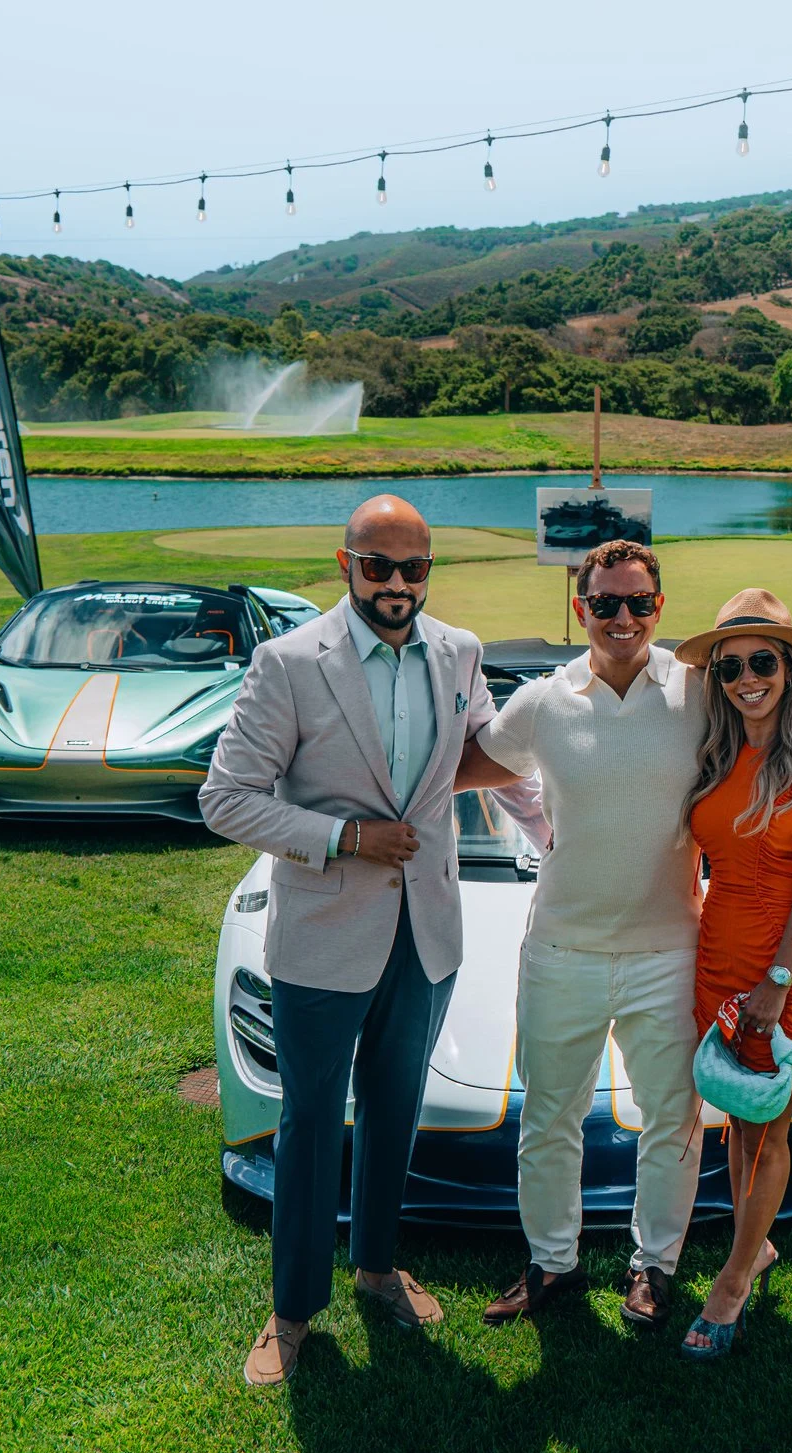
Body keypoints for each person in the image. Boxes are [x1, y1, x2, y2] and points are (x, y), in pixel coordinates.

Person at [465, 543, 792, 1332]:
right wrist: (355, 791)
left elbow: (780, 716)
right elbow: (465, 768)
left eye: (639, 603)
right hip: (561, 947)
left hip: (670, 950)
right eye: (606, 603)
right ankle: (551, 1263)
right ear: (579, 608)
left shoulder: (698, 692)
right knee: (548, 1117)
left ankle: (655, 1266)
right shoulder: (542, 702)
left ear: (659, 606)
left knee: (673, 1121)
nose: (622, 617)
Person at [199, 493, 543, 1385]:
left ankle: (380, 1269)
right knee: (312, 1123)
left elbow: (489, 760)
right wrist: (348, 839)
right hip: (323, 933)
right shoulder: (286, 664)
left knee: (395, 1113)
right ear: (345, 563)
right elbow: (226, 798)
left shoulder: (461, 654)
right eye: (379, 565)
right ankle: (292, 1311)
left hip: (426, 932)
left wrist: (558, 839)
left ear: (431, 570)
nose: (397, 583)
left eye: (414, 567)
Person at [673, 590, 792, 1359]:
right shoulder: (716, 752)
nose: (747, 679)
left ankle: (731, 1286)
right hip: (717, 957)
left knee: (771, 1122)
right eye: (730, 667)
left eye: (763, 662)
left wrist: (778, 979)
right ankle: (758, 1245)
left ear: (789, 668)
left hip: (787, 967)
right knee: (736, 1110)